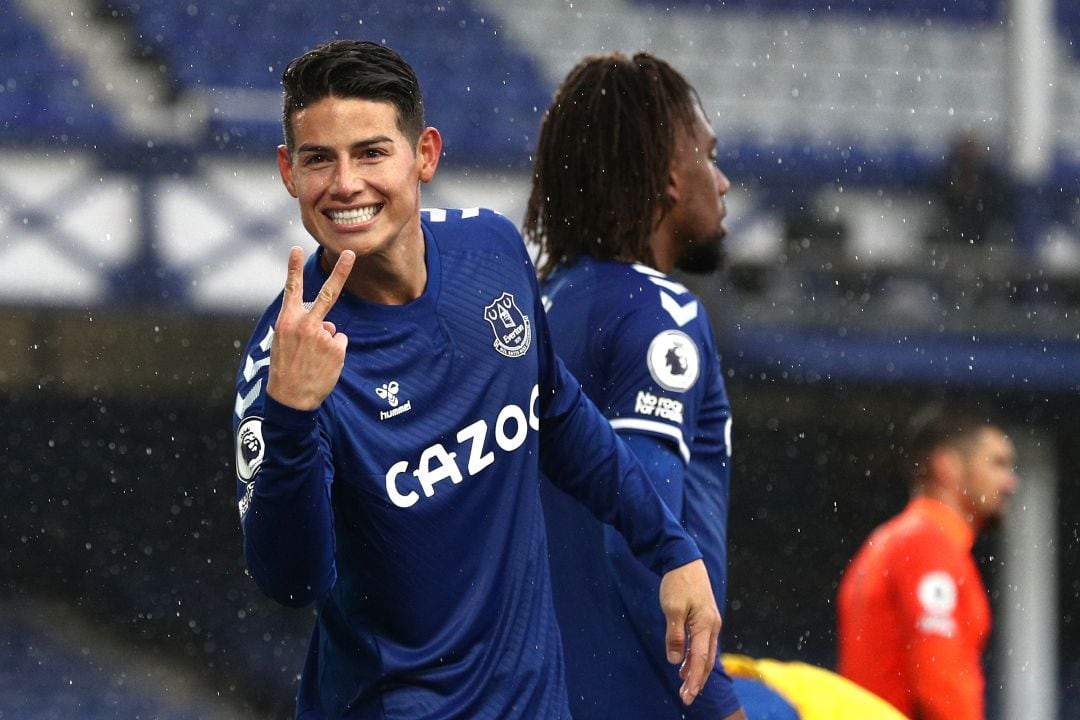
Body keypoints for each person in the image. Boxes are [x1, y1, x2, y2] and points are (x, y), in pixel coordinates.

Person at [231, 39, 724, 720]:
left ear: (424, 155)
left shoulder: (491, 252)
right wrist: (290, 416)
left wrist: (670, 547)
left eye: (371, 152)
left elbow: (556, 412)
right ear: (289, 171)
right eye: (319, 159)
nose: (345, 183)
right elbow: (292, 581)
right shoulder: (282, 364)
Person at [523, 52, 747, 719]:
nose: (725, 181)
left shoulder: (539, 310)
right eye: (709, 155)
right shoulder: (660, 313)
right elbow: (641, 541)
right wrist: (718, 708)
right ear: (670, 177)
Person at [836, 403, 1019, 719]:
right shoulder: (927, 545)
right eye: (997, 464)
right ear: (947, 466)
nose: (1010, 483)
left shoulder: (889, 539)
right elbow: (941, 682)